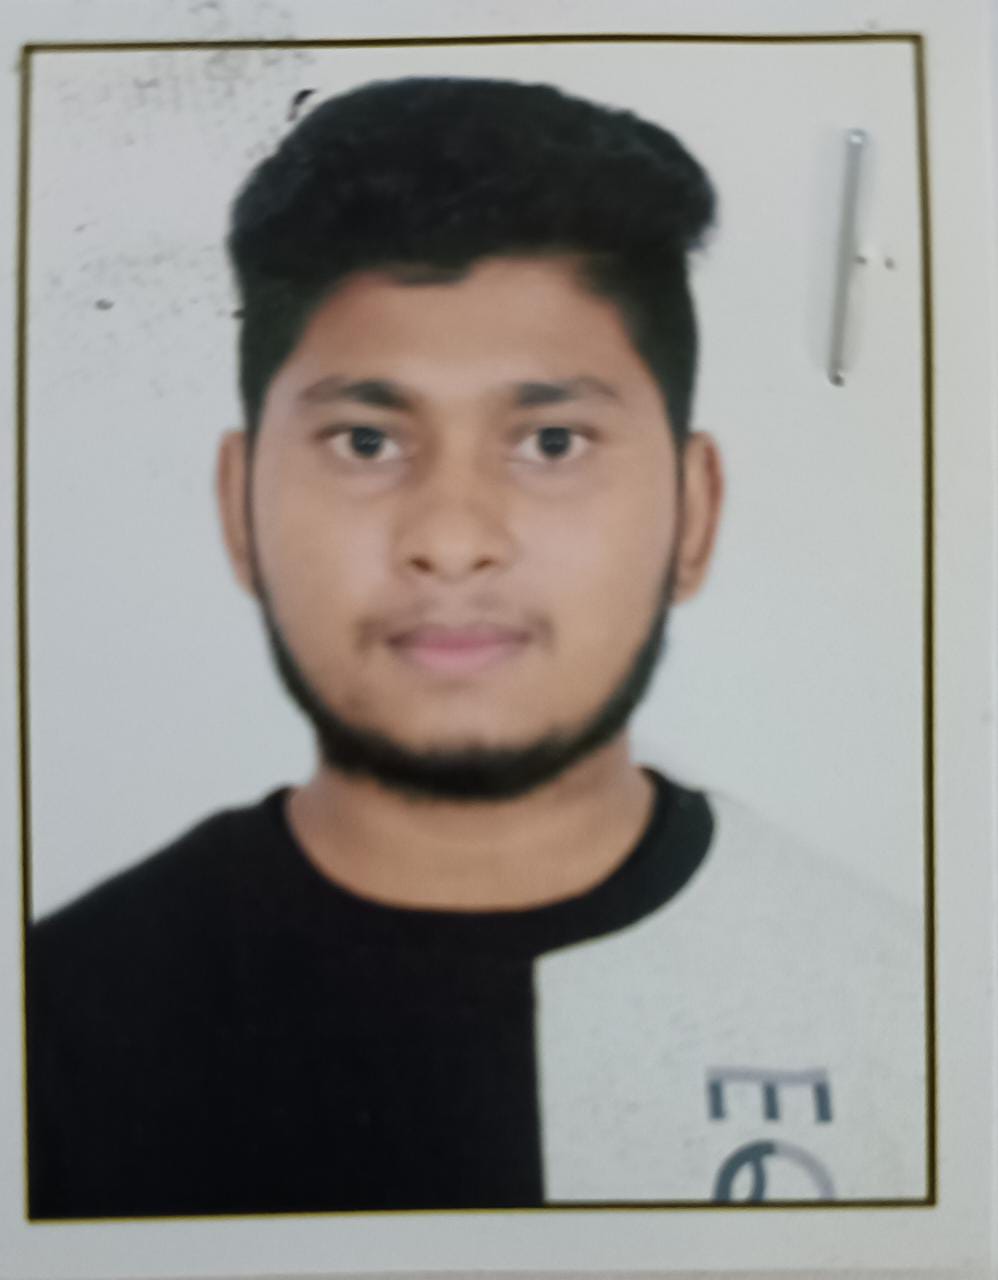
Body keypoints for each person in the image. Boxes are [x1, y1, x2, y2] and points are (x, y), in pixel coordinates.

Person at [25, 75, 925, 1219]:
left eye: (550, 441)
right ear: (237, 504)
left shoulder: (913, 1016)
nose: (451, 540)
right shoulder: (49, 1026)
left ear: (694, 511)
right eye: (365, 440)